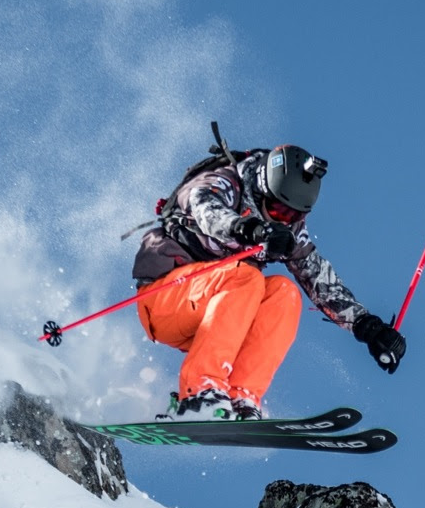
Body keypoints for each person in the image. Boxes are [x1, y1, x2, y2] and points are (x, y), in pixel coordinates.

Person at [130, 139, 406, 420]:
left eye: (294, 216)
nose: (284, 220)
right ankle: (200, 392)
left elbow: (318, 276)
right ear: (262, 188)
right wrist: (248, 228)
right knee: (246, 276)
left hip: (215, 317)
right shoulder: (225, 182)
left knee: (284, 294)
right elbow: (206, 209)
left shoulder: (286, 229)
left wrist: (367, 327)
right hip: (165, 299)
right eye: (278, 211)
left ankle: (241, 397)